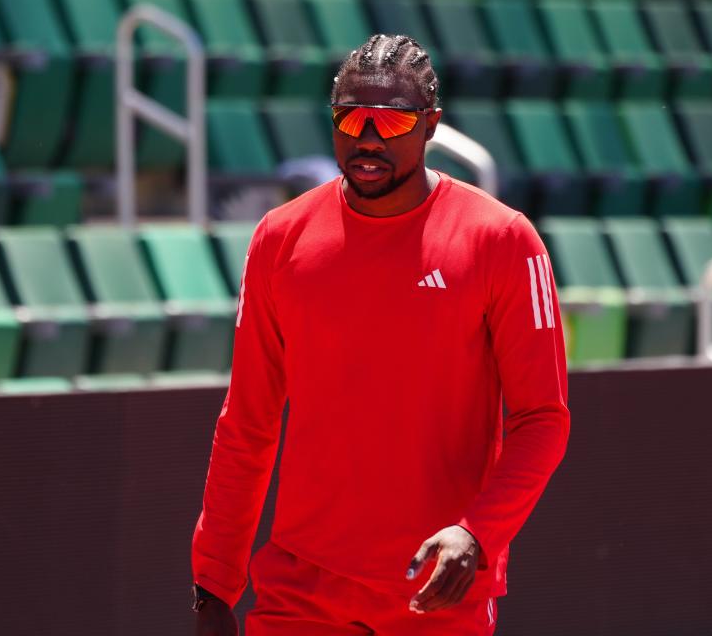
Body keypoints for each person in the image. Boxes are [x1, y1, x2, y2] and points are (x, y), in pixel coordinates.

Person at [192, 33, 570, 635]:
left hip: (436, 593)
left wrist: (478, 533)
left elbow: (542, 419)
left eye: (390, 122)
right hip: (300, 589)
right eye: (351, 118)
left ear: (431, 127)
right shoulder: (278, 238)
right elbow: (248, 423)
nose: (367, 138)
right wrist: (213, 583)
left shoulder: (503, 239)